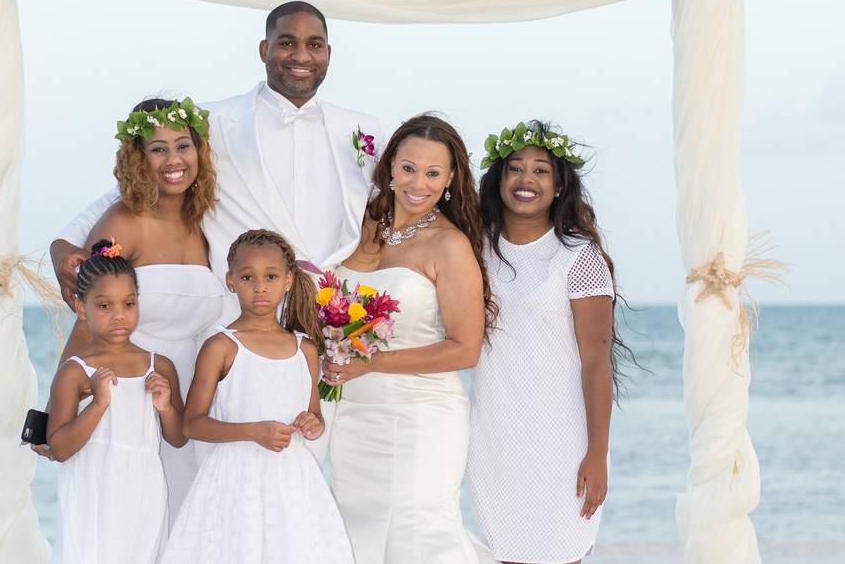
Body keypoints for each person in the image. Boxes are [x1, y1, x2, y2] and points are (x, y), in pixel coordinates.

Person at [50, 1, 385, 463]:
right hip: (226, 319)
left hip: (324, 324)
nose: (300, 56)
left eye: (314, 45)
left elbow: (391, 209)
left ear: (329, 52)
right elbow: (126, 191)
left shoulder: (363, 131)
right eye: (286, 43)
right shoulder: (213, 123)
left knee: (305, 463)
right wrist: (62, 244)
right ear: (265, 49)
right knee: (227, 463)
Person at [39, 97, 231, 523]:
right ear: (137, 158)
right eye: (157, 148)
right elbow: (86, 316)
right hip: (128, 396)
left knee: (189, 521)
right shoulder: (122, 223)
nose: (173, 160)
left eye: (182, 145)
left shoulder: (207, 223)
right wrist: (56, 409)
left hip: (185, 401)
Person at [321, 114, 497, 564]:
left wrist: (372, 363)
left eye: (433, 173)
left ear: (451, 178)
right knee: (353, 529)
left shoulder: (448, 245)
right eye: (408, 168)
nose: (418, 182)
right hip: (352, 417)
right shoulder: (356, 226)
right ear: (390, 167)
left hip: (422, 417)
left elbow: (465, 348)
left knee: (418, 534)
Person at [468, 121, 626, 564]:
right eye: (515, 169)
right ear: (498, 181)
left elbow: (597, 361)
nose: (526, 180)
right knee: (508, 555)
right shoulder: (474, 250)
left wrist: (597, 453)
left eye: (540, 171)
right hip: (493, 434)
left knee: (560, 553)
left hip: (563, 438)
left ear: (558, 187)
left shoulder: (577, 256)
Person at [161, 230, 354, 564]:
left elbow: (314, 418)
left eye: (271, 276)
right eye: (248, 277)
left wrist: (312, 423)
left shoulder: (304, 348)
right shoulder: (220, 346)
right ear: (231, 281)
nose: (260, 287)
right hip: (235, 480)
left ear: (289, 280)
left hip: (292, 480)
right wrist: (252, 431)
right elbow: (192, 424)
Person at [47, 240, 186, 564]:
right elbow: (59, 449)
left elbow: (178, 438)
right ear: (82, 308)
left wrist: (165, 407)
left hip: (142, 493)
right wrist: (97, 404)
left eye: (128, 303)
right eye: (104, 306)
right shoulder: (75, 372)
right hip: (92, 492)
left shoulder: (159, 366)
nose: (119, 315)